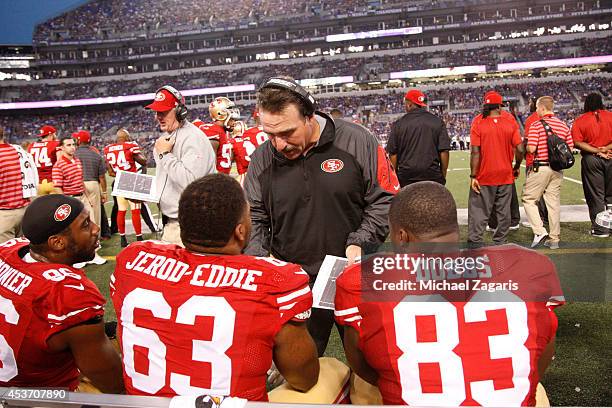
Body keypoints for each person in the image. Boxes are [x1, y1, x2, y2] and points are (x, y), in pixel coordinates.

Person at [335, 181, 563, 406]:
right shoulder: (532, 267)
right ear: (454, 227)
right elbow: (540, 357)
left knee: (345, 379)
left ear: (402, 236)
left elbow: (363, 367)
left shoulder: (362, 280)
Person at [111, 174, 319, 400]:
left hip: (145, 403)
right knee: (331, 370)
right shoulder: (276, 279)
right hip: (232, 405)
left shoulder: (133, 260)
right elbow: (304, 378)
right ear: (240, 231)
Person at [244, 76, 399, 356]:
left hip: (352, 275)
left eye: (287, 132)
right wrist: (259, 257)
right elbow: (254, 215)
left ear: (309, 115)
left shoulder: (357, 140)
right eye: (270, 135)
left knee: (373, 364)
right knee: (296, 375)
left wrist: (361, 242)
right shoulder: (261, 159)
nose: (279, 144)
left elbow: (385, 198)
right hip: (294, 285)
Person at [0, 194, 123, 393]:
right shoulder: (68, 292)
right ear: (57, 243)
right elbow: (112, 384)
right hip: (38, 396)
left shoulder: (9, 249)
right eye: (85, 225)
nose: (95, 228)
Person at [147, 85, 216, 246]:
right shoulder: (166, 137)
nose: (158, 116)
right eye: (157, 112)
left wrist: (165, 155)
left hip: (192, 225)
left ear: (180, 111)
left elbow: (191, 182)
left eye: (163, 112)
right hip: (172, 223)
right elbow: (167, 181)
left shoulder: (193, 137)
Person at [468, 91, 524, 246]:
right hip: (505, 174)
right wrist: (517, 166)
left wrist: (473, 176)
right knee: (503, 211)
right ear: (499, 106)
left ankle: (475, 242)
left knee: (479, 211)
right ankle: (500, 242)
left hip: (485, 175)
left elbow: (475, 152)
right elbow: (520, 149)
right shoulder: (510, 120)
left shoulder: (478, 121)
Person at [522, 96, 574, 249]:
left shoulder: (536, 125)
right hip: (557, 169)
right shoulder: (563, 126)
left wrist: (527, 148)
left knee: (529, 199)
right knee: (553, 204)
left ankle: (539, 231)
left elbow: (531, 148)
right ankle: (554, 239)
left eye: (537, 108)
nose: (536, 111)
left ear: (542, 108)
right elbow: (569, 148)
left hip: (541, 167)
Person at [386, 89, 451, 186]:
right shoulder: (437, 122)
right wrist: (442, 175)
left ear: (409, 104)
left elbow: (393, 154)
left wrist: (395, 177)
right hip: (432, 175)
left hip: (406, 177)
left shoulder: (398, 124)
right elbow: (444, 151)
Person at [571, 93, 612, 237]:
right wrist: (605, 149)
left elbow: (577, 142)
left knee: (596, 195)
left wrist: (597, 150)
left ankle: (601, 229)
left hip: (591, 159)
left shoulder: (580, 120)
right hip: (611, 156)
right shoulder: (610, 116)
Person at [104, 128, 148, 247]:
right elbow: (143, 162)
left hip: (119, 180)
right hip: (131, 180)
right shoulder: (130, 145)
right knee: (135, 210)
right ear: (126, 137)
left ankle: (123, 238)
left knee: (121, 211)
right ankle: (139, 237)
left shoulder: (108, 149)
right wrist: (138, 156)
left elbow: (110, 172)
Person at [74, 130, 107, 265]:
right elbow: (102, 177)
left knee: (78, 218)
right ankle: (95, 244)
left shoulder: (73, 154)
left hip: (77, 184)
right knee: (95, 217)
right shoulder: (95, 154)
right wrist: (104, 192)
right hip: (93, 184)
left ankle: (79, 243)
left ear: (78, 141)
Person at [0, 128, 31, 243]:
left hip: (4, 213)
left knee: (5, 257)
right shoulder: (18, 150)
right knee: (22, 252)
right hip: (24, 209)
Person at [195, 96, 241, 174]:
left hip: (222, 180)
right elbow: (209, 166)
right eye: (231, 119)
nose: (234, 122)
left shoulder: (222, 132)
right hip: (215, 182)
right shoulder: (213, 131)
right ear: (220, 114)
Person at [27, 124, 60, 195]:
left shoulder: (31, 146)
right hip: (53, 181)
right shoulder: (56, 144)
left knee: (42, 205)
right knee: (56, 205)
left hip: (38, 183)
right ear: (51, 135)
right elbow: (61, 162)